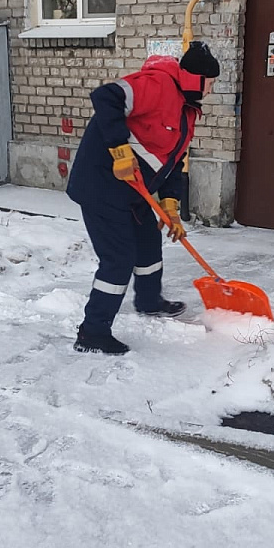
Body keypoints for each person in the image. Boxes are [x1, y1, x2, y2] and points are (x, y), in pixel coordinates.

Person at [67, 40, 220, 355]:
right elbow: (106, 96)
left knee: (149, 244)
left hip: (134, 190)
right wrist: (120, 151)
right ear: (197, 78)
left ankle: (150, 301)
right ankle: (92, 333)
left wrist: (171, 209)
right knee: (118, 260)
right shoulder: (157, 84)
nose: (211, 91)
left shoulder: (187, 112)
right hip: (102, 185)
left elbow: (173, 163)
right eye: (211, 83)